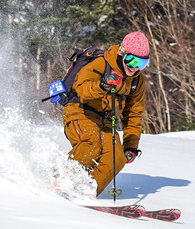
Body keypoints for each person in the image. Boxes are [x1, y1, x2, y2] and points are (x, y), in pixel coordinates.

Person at [63, 31, 150, 195]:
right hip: (80, 111)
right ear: (121, 54)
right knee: (91, 145)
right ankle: (60, 178)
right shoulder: (101, 64)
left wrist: (130, 145)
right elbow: (81, 90)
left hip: (105, 121)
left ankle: (86, 190)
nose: (134, 67)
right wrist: (102, 86)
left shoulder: (137, 80)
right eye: (131, 60)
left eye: (142, 63)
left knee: (117, 158)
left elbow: (134, 114)